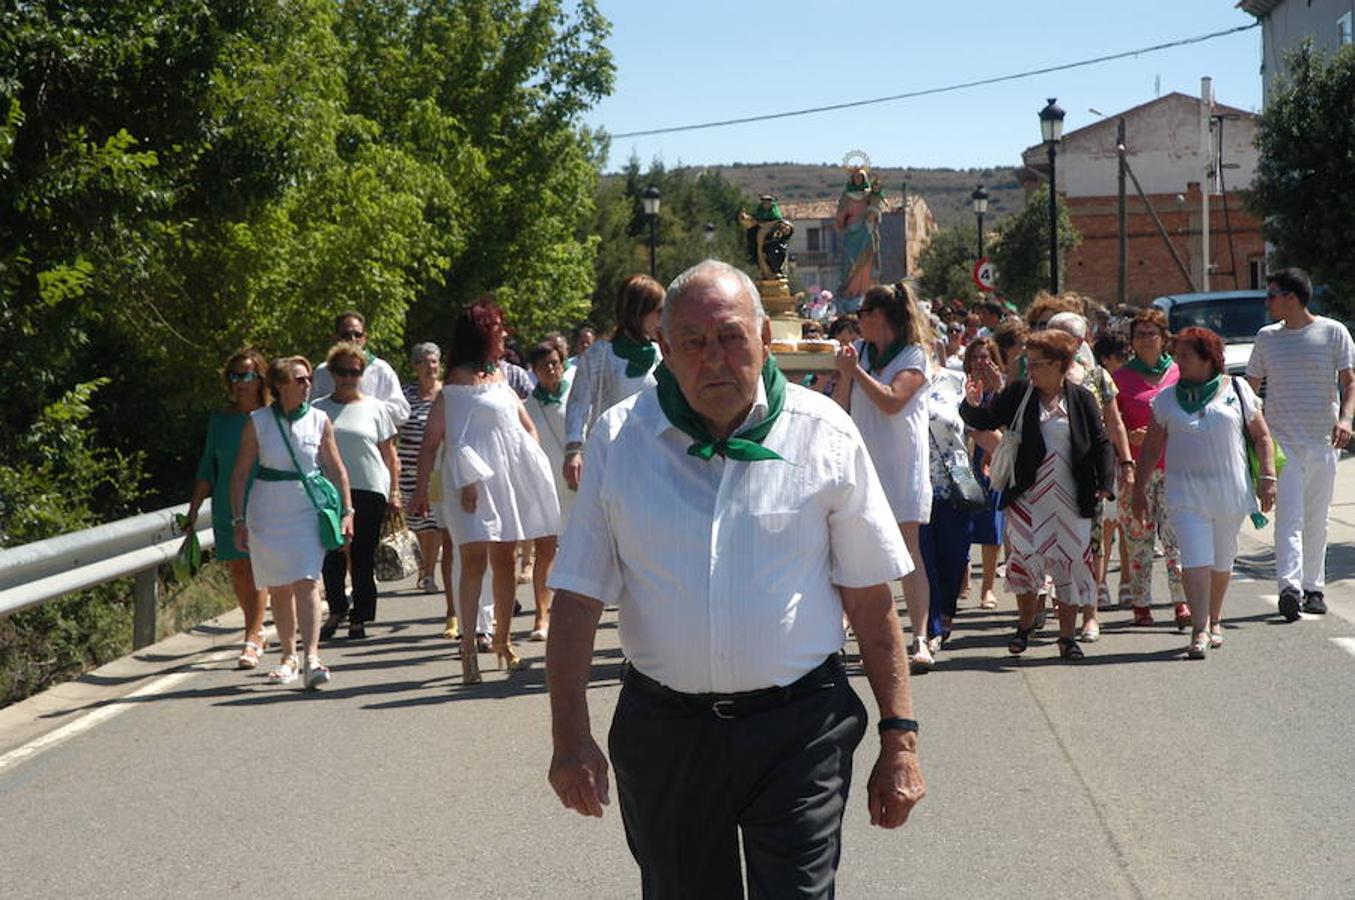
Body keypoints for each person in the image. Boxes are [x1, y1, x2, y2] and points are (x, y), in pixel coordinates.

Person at [546, 260, 925, 898]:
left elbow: (870, 601)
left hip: (799, 729)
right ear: (664, 351)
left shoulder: (825, 434)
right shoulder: (622, 439)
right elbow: (578, 599)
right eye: (692, 343)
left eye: (729, 338)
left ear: (763, 340)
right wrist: (570, 738)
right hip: (666, 733)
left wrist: (900, 738)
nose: (713, 358)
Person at [409, 299, 560, 683]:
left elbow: (525, 426)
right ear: (482, 335)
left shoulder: (500, 377)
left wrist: (531, 467)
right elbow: (435, 442)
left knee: (506, 558)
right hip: (469, 484)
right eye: (497, 328)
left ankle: (502, 642)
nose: (504, 334)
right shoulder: (454, 385)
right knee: (473, 560)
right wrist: (422, 489)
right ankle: (468, 649)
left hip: (506, 481)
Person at [959, 330, 1115, 661]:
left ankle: (1067, 637)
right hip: (1029, 498)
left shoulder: (1082, 398)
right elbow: (986, 419)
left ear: (1061, 365)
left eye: (1038, 363)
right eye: (1028, 362)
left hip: (1072, 498)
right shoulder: (1019, 393)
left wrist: (1106, 482)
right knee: (1026, 559)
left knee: (1069, 565)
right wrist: (972, 403)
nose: (1030, 369)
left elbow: (1101, 443)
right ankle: (1024, 626)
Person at [1134, 327, 1277, 658]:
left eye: (1184, 355)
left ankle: (1215, 619)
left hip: (1230, 493)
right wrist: (1139, 489)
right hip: (1184, 495)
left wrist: (1268, 476)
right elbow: (1152, 448)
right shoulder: (1166, 399)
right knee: (1195, 560)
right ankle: (1199, 630)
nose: (1177, 361)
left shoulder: (1237, 390)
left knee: (1222, 560)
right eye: (1177, 354)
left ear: (1207, 359)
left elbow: (1262, 437)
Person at [229, 356, 353, 689]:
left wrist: (347, 511)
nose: (307, 384)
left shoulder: (319, 419)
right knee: (280, 586)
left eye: (308, 378)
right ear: (281, 385)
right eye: (299, 379)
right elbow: (240, 475)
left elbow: (337, 469)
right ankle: (288, 657)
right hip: (268, 510)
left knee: (307, 581)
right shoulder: (258, 422)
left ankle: (312, 658)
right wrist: (239, 519)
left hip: (307, 508)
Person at [833, 282, 934, 672]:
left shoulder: (914, 355)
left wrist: (855, 370)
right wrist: (848, 372)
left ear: (880, 317)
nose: (858, 323)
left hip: (901, 466)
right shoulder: (857, 353)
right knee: (862, 552)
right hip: (863, 464)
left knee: (909, 553)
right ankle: (866, 636)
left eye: (863, 315)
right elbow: (841, 405)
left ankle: (920, 639)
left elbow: (893, 401)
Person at [1247, 268, 1355, 620]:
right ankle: (1289, 588)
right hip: (1283, 443)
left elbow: (1349, 382)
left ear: (1291, 298)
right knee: (1289, 517)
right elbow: (1251, 386)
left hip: (1324, 441)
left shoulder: (1333, 332)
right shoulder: (1267, 338)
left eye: (1272, 295)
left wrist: (1346, 419)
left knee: (1317, 519)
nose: (1267, 302)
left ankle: (1314, 588)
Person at [1048, 311, 1136, 641]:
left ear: (1080, 342)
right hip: (1047, 473)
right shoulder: (1039, 375)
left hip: (1087, 473)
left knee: (1092, 542)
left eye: (1062, 336)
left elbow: (1114, 424)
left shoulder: (1097, 377)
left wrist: (1125, 463)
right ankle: (1061, 608)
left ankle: (1090, 615)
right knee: (1055, 544)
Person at [184, 349, 271, 669]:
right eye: (235, 376)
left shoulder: (271, 416)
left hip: (262, 501)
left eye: (247, 375)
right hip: (225, 503)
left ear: (260, 378)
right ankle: (257, 629)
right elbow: (209, 465)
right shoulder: (220, 420)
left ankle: (251, 637)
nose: (240, 382)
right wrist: (193, 509)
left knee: (258, 569)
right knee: (238, 570)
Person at [315, 343, 399, 640]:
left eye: (355, 371)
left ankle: (360, 616)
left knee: (363, 554)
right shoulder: (318, 409)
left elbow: (389, 455)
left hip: (370, 486)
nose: (349, 377)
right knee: (332, 553)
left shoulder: (376, 408)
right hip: (330, 490)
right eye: (343, 371)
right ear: (331, 372)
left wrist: (395, 493)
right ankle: (336, 608)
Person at [1114, 309, 1186, 625]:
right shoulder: (1121, 378)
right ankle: (1141, 604)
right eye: (1139, 334)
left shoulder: (1179, 373)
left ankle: (1182, 601)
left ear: (1164, 337)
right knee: (1138, 538)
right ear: (1131, 341)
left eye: (1151, 333)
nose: (1145, 340)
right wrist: (1129, 436)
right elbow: (1109, 424)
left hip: (1176, 468)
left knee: (1177, 538)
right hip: (1136, 471)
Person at [563, 275, 664, 492]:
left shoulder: (662, 355)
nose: (663, 319)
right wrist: (573, 451)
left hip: (655, 458)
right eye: (659, 312)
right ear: (638, 312)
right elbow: (577, 405)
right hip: (609, 458)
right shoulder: (598, 355)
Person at [919, 361, 974, 655]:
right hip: (914, 486)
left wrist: (1006, 455)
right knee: (924, 559)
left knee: (954, 558)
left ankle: (946, 611)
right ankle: (932, 629)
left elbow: (976, 426)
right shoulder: (890, 378)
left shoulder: (956, 380)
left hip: (957, 479)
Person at [524, 340, 573, 640]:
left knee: (580, 553)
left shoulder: (578, 397)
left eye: (555, 363)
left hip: (579, 487)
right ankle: (541, 616)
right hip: (546, 489)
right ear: (534, 370)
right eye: (544, 366)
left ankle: (570, 616)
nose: (551, 370)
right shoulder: (528, 406)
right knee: (545, 551)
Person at [399, 343, 453, 603]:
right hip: (408, 465)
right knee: (417, 521)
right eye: (425, 362)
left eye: (434, 362)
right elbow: (395, 424)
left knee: (434, 520)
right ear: (416, 366)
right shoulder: (406, 393)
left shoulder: (446, 393)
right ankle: (424, 567)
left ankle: (429, 572)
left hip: (437, 468)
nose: (431, 367)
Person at [962, 338, 1005, 611]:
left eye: (986, 357)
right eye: (975, 357)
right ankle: (962, 582)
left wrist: (998, 389)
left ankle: (987, 588)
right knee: (961, 523)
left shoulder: (1002, 393)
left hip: (993, 462)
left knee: (991, 527)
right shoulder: (957, 386)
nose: (980, 362)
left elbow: (1008, 427)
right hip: (963, 462)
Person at [311, 311, 410, 427]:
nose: (352, 339)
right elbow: (311, 412)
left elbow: (401, 413)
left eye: (357, 335)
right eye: (346, 334)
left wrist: (366, 408)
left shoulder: (381, 369)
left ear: (364, 338)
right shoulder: (323, 371)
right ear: (335, 337)